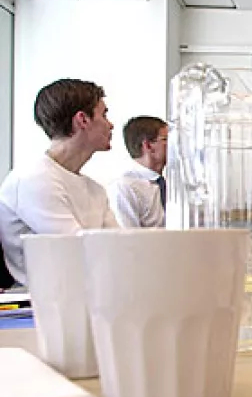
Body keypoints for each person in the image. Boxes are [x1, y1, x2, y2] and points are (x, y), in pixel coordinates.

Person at [0, 79, 119, 285]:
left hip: (84, 292)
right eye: (104, 115)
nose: (111, 125)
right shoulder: (33, 179)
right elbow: (79, 253)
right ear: (82, 120)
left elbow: (119, 249)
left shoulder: (95, 189)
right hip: (42, 298)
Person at [107, 116, 168, 228]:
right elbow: (129, 236)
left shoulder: (171, 184)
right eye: (166, 139)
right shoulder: (125, 187)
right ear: (148, 145)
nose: (175, 145)